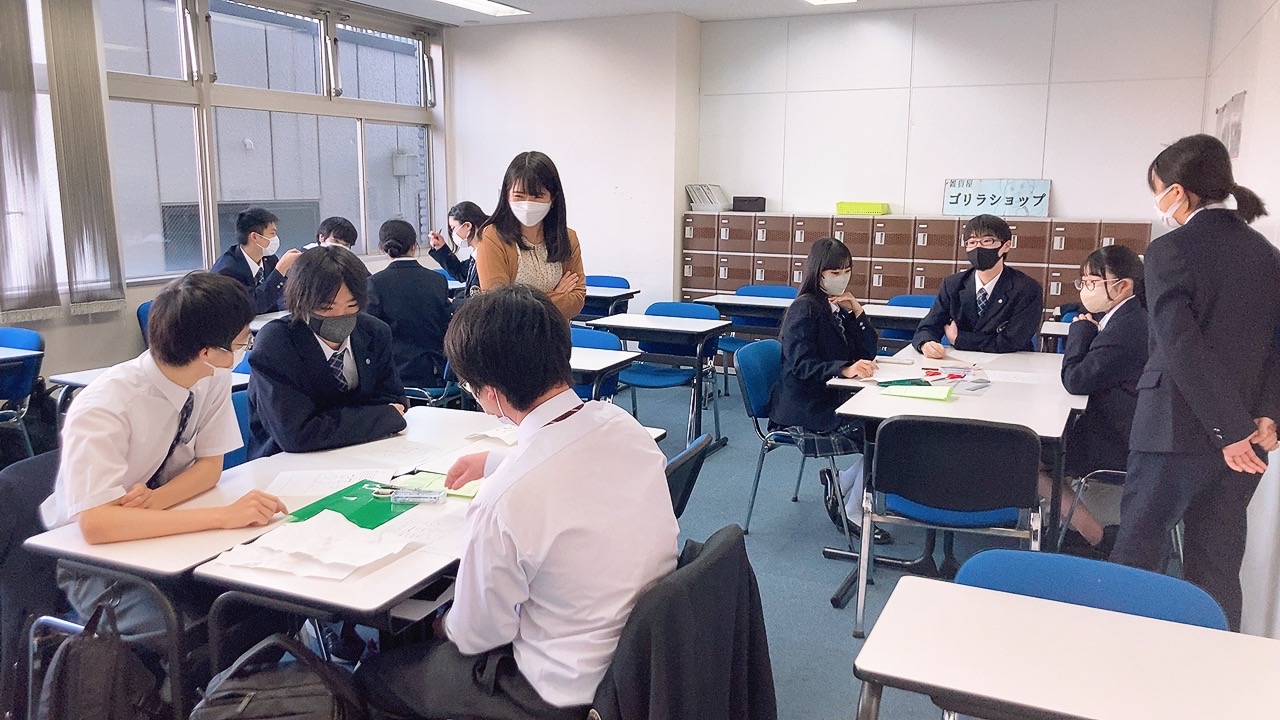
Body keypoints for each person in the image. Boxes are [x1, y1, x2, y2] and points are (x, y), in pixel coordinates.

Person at [355, 285, 678, 720]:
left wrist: (441, 624)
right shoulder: (623, 426)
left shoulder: (505, 499)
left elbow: (478, 635)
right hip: (638, 663)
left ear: (489, 394)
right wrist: (496, 461)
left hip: (558, 694)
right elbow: (573, 469)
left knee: (375, 674)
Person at [39, 272, 286, 637]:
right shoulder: (104, 405)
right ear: (207, 352)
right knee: (200, 631)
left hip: (163, 528)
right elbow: (96, 524)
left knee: (267, 601)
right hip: (95, 562)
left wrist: (154, 502)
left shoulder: (211, 377)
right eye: (241, 340)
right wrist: (223, 516)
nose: (245, 347)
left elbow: (210, 467)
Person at [1112, 134, 1280, 632]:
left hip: (1173, 430)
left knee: (1138, 554)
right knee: (1217, 564)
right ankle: (1217, 666)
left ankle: (1115, 655)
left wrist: (1230, 431)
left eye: (1157, 191)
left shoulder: (1168, 250)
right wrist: (1267, 416)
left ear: (1178, 193)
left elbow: (1180, 347)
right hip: (1249, 436)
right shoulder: (1267, 254)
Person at [769, 237, 890, 544]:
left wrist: (857, 312)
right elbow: (801, 365)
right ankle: (853, 510)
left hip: (832, 397)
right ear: (818, 272)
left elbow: (868, 351)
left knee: (886, 428)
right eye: (835, 272)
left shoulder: (835, 306)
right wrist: (843, 369)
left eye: (847, 271)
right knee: (882, 432)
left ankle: (842, 481)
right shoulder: (804, 309)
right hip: (807, 406)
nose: (842, 277)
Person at [247, 246, 408, 459]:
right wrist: (381, 417)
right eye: (327, 308)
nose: (341, 315)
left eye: (352, 305)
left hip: (366, 453)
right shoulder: (276, 343)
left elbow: (396, 401)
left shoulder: (374, 332)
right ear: (302, 302)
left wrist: (329, 423)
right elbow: (296, 434)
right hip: (287, 463)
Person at [1041, 246, 1147, 558]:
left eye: (1093, 283)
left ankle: (1095, 535)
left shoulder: (1127, 327)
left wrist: (1078, 331)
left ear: (1123, 285)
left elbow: (1076, 379)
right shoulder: (1125, 316)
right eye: (1083, 282)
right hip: (1118, 424)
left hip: (1116, 438)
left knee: (1027, 454)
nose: (1085, 290)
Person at [912, 214, 1043, 358]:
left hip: (1011, 361)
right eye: (972, 242)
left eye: (987, 241)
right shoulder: (953, 284)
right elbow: (928, 327)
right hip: (961, 362)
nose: (978, 247)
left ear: (1006, 246)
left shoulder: (1026, 289)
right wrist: (926, 343)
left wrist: (959, 339)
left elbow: (1012, 341)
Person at [475, 151, 586, 319]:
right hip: (511, 335)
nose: (527, 203)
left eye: (537, 196)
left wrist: (523, 300)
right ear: (506, 195)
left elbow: (576, 300)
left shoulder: (567, 238)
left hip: (557, 334)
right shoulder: (493, 237)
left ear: (553, 197)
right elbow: (500, 307)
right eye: (519, 195)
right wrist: (556, 295)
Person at [367, 219, 452, 389]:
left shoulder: (374, 284)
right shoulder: (437, 280)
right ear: (414, 246)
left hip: (396, 376)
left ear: (382, 248)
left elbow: (371, 335)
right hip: (437, 373)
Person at [211, 207, 302, 313]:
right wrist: (280, 270)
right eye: (272, 234)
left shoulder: (270, 259)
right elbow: (252, 306)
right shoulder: (227, 269)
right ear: (254, 237)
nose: (275, 238)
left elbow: (280, 298)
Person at [427, 201, 488, 296]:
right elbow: (460, 272)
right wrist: (441, 247)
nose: (453, 233)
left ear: (467, 225)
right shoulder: (476, 255)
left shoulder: (487, 255)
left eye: (453, 228)